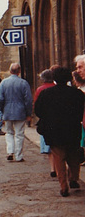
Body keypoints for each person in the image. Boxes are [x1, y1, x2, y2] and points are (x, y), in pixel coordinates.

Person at [34, 67, 84, 197]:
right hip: (72, 129)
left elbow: (38, 111)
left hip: (54, 130)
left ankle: (63, 186)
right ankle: (74, 179)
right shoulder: (77, 94)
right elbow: (80, 111)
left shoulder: (46, 94)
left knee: (59, 158)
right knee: (73, 156)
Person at [0, 63, 33, 162]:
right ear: (19, 71)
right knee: (19, 134)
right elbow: (28, 100)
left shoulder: (4, 83)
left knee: (9, 132)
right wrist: (29, 113)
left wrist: (1, 110)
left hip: (7, 110)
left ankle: (10, 151)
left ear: (10, 71)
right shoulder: (23, 83)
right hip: (20, 111)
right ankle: (18, 156)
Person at [34, 69, 56, 177]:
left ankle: (53, 169)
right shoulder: (56, 88)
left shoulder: (40, 89)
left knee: (50, 148)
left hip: (46, 120)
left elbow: (37, 106)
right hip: (59, 120)